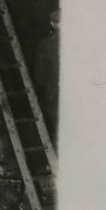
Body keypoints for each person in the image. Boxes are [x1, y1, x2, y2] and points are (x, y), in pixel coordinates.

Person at [33, 8, 60, 147]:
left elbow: (39, 76)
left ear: (52, 24)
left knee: (56, 133)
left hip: (53, 97)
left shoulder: (46, 44)